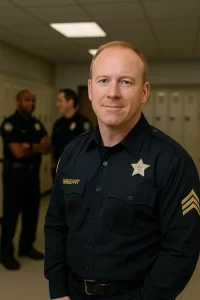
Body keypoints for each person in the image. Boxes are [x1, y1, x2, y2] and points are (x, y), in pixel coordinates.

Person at [44, 41, 200, 300]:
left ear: (145, 91)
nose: (113, 92)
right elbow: (56, 225)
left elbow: (180, 250)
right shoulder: (72, 153)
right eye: (104, 80)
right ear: (91, 89)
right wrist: (58, 290)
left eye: (126, 82)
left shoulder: (172, 161)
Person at [0, 89, 52, 270]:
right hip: (15, 175)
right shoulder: (9, 124)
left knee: (32, 213)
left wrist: (28, 145)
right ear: (18, 103)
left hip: (32, 174)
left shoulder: (36, 124)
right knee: (11, 215)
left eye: (33, 100)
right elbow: (17, 153)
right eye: (27, 100)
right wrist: (35, 146)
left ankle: (25, 247)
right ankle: (5, 253)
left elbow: (48, 147)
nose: (31, 103)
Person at [51, 89, 93, 179]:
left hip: (77, 171)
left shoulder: (83, 123)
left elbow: (90, 149)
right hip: (60, 171)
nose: (57, 104)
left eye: (60, 101)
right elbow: (54, 146)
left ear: (70, 102)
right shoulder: (57, 124)